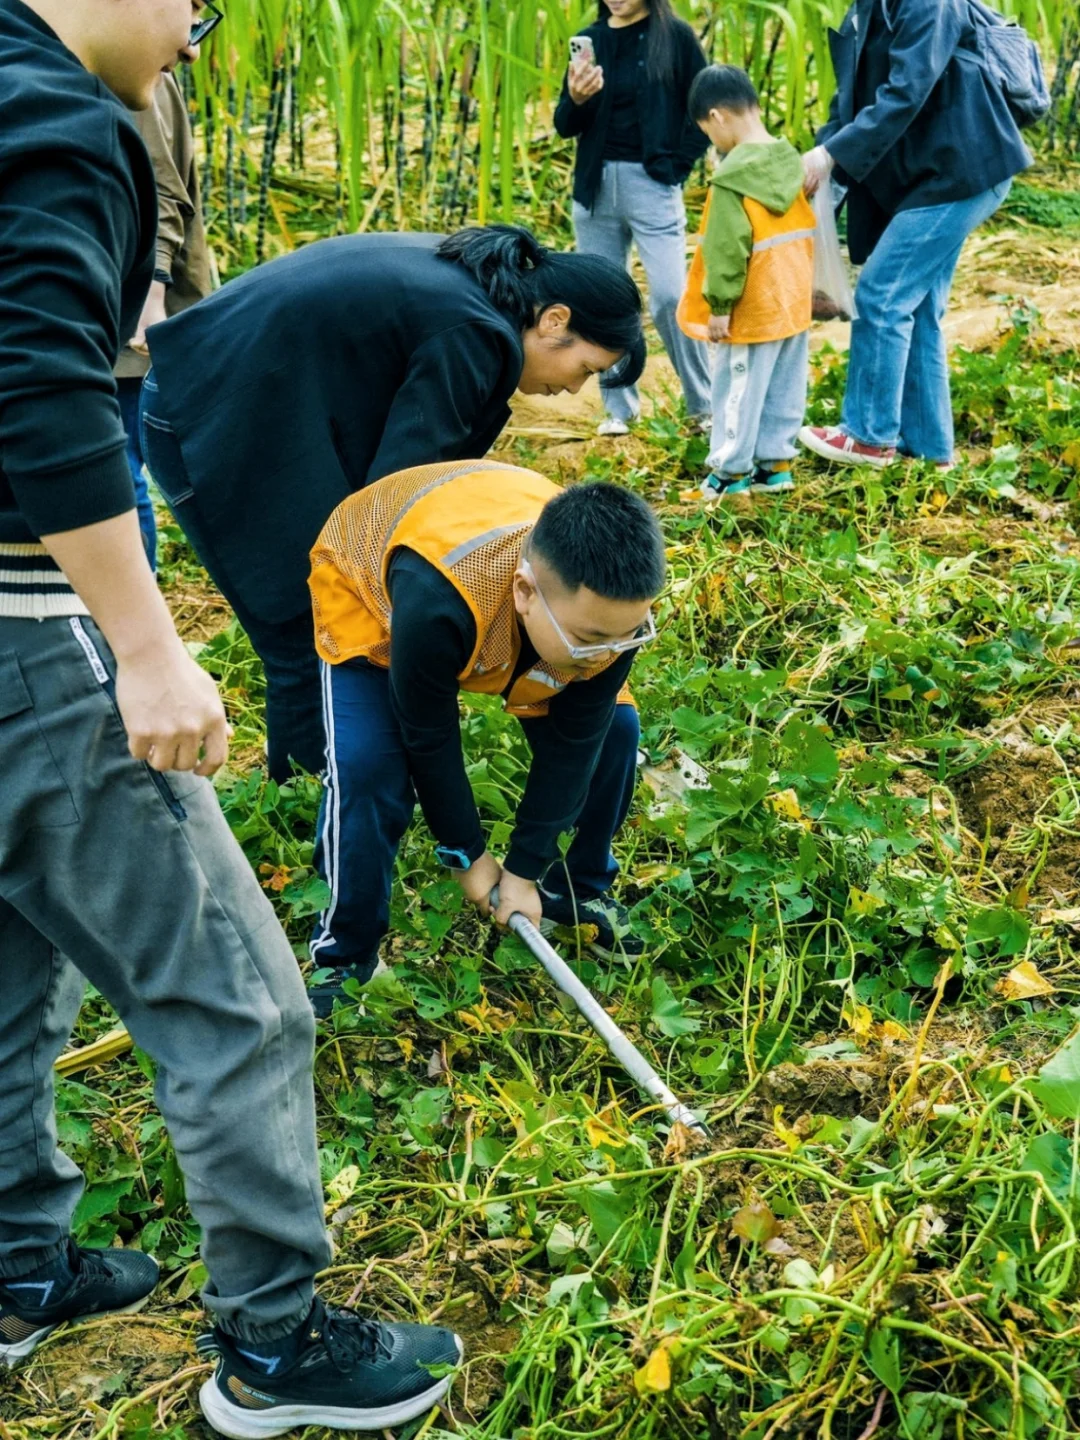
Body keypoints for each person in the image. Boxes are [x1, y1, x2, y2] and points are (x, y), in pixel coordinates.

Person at [0, 0, 460, 1431]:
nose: (199, 34)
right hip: (24, 631)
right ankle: (273, 1345)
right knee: (239, 1000)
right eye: (194, 2)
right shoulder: (61, 121)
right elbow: (37, 386)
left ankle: (14, 1263)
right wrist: (142, 648)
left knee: (13, 960)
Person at [140, 225, 646, 782]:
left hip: (241, 392)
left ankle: (333, 783)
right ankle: (311, 800)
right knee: (307, 622)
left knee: (325, 606)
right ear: (555, 320)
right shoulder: (475, 332)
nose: (576, 390)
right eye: (588, 370)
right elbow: (397, 501)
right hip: (205, 410)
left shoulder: (476, 287)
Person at [305, 463, 665, 1015]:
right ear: (525, 591)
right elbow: (426, 732)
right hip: (372, 593)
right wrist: (465, 854)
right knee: (367, 767)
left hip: (511, 593)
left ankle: (578, 891)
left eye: (627, 636)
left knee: (615, 732)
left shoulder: (609, 621)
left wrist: (522, 868)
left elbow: (577, 743)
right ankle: (345, 955)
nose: (611, 655)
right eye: (595, 639)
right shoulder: (435, 597)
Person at [798, 0, 1031, 471]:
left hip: (964, 166)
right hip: (934, 172)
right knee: (918, 306)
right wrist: (821, 155)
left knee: (883, 294)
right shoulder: (866, 8)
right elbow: (852, 103)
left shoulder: (929, 3)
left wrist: (831, 155)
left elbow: (906, 92)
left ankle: (868, 435)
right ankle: (929, 450)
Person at [555, 0, 711, 438]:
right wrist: (577, 97)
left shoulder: (674, 36)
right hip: (594, 187)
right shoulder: (593, 38)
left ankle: (705, 404)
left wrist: (673, 169)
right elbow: (564, 124)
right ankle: (619, 409)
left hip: (653, 185)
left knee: (669, 296)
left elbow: (704, 108)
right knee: (604, 302)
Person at [678, 65, 814, 499]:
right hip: (792, 301)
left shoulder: (733, 179)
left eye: (706, 131)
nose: (711, 142)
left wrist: (719, 307)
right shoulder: (790, 161)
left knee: (737, 389)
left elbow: (725, 248)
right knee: (783, 385)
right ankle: (775, 466)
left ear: (717, 117)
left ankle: (729, 474)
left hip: (751, 309)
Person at [114, 68, 212, 569]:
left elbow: (160, 190)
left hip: (129, 316)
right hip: (105, 305)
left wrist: (151, 296)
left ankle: (131, 627)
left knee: (117, 471)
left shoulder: (127, 56)